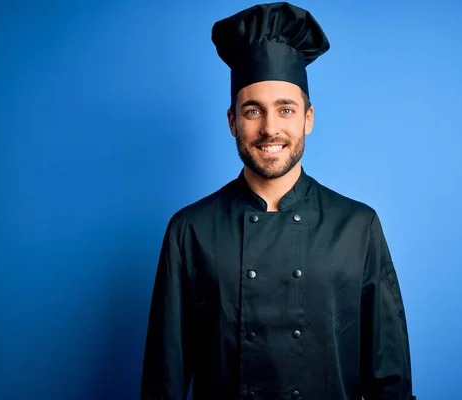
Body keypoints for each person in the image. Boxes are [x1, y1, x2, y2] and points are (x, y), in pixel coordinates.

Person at [141, 2, 414, 399]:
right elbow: (163, 381)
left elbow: (390, 376)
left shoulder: (358, 227)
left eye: (285, 110)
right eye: (253, 111)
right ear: (233, 121)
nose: (270, 129)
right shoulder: (190, 230)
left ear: (307, 118)